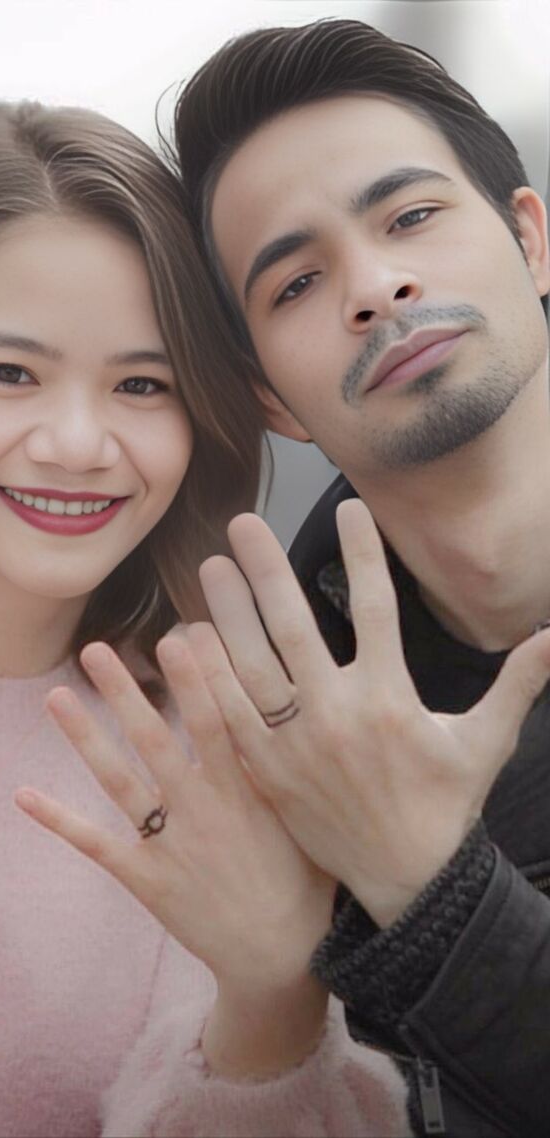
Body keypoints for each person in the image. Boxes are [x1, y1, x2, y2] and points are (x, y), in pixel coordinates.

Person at [0, 100, 409, 1137]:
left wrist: (270, 1000)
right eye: (7, 373)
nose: (78, 444)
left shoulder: (224, 740)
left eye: (143, 384)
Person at [169, 17, 550, 1138]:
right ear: (269, 399)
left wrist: (432, 893)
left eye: (410, 217)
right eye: (295, 282)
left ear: (531, 240)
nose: (376, 286)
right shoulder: (274, 742)